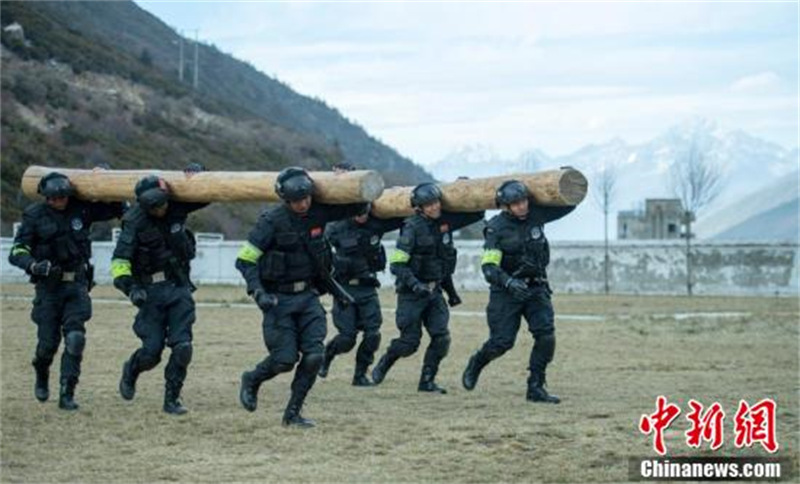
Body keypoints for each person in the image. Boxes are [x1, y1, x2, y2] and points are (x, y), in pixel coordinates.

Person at [236, 166, 367, 428]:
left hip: (308, 297)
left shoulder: (318, 212)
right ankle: (252, 379)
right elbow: (245, 260)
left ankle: (292, 413)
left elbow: (357, 207)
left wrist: (345, 179)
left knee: (314, 357)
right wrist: (257, 291)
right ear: (286, 199)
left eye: (306, 197)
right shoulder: (270, 222)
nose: (303, 203)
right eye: (297, 200)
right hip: (277, 301)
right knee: (284, 360)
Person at [9, 171, 125, 410]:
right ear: (46, 197)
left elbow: (115, 208)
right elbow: (17, 251)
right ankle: (42, 371)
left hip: (77, 285)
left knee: (75, 338)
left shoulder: (81, 209)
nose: (58, 202)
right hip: (48, 288)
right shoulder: (34, 215)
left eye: (62, 197)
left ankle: (67, 392)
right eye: (53, 198)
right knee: (47, 345)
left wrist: (104, 177)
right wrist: (33, 265)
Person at [461, 180, 575, 403]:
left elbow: (566, 207)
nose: (522, 206)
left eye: (523, 201)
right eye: (516, 203)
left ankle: (536, 387)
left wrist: (566, 181)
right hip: (506, 291)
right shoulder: (496, 228)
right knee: (502, 342)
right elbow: (489, 267)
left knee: (546, 336)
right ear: (506, 206)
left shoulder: (537, 215)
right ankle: (477, 362)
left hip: (536, 287)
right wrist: (509, 283)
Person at [111, 165, 208, 415]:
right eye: (155, 207)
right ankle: (132, 369)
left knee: (183, 346)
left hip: (178, 287)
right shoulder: (134, 222)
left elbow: (208, 195)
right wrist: (131, 289)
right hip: (149, 292)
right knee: (151, 353)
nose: (161, 210)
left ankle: (172, 399)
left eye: (163, 204)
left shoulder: (175, 206)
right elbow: (119, 262)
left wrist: (199, 174)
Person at [371, 182, 484, 394]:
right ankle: (386, 361)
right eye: (429, 205)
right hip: (411, 294)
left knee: (441, 338)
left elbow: (476, 215)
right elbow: (397, 265)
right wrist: (416, 285)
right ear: (419, 207)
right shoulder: (411, 228)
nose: (434, 207)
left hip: (435, 292)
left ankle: (427, 382)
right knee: (409, 343)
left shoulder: (444, 223)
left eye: (436, 203)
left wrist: (466, 187)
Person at [317, 203, 404, 386]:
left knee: (373, 334)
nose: (362, 217)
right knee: (347, 338)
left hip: (367, 287)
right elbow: (319, 250)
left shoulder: (376, 225)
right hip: (344, 289)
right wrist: (336, 263)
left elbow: (402, 218)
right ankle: (328, 355)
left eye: (365, 213)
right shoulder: (336, 228)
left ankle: (360, 375)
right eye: (358, 213)